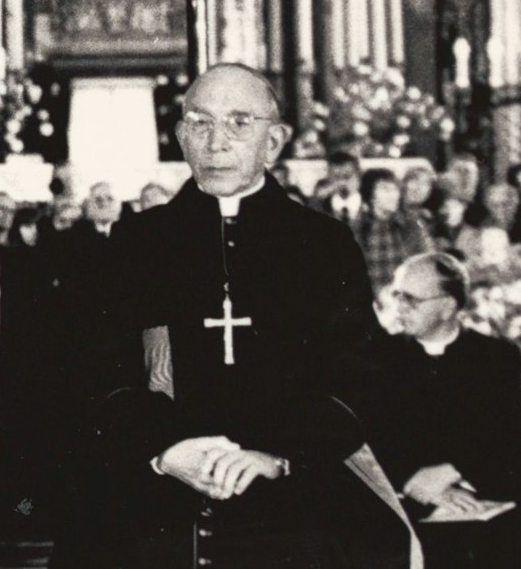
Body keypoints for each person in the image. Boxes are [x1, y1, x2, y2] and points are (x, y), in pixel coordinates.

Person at [57, 64, 416, 568]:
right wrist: (164, 451)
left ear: (274, 141)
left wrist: (277, 456)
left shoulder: (322, 244)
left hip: (292, 476)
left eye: (239, 123)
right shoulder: (137, 242)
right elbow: (97, 371)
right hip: (161, 478)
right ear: (181, 137)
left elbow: (358, 376)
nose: (216, 142)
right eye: (200, 123)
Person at [371, 254, 521, 567]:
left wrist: (457, 469)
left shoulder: (500, 360)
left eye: (411, 299)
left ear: (448, 307)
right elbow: (367, 434)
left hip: (489, 503)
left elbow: (511, 435)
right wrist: (411, 480)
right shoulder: (380, 360)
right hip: (406, 507)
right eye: (397, 295)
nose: (400, 307)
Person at [356, 169, 434, 295]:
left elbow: (427, 263)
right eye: (385, 189)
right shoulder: (357, 229)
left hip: (406, 297)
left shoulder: (411, 226)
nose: (393, 195)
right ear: (370, 196)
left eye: (395, 189)